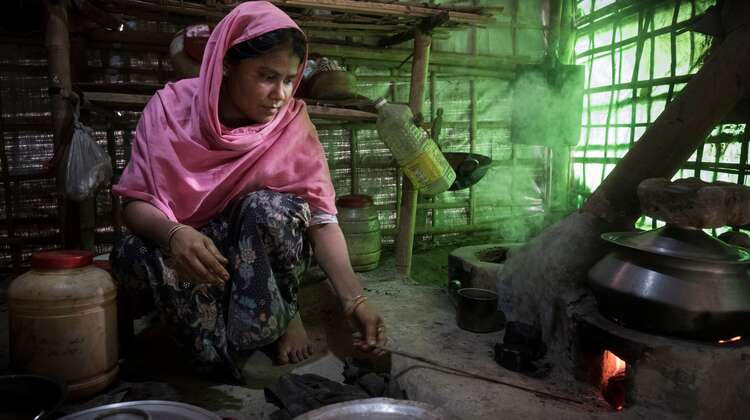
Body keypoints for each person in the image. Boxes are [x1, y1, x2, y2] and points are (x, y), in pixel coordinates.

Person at [110, 1, 386, 383]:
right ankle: (229, 342)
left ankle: (282, 314)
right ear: (225, 65)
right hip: (190, 249)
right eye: (266, 76)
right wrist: (173, 234)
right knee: (131, 253)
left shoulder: (291, 123)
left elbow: (322, 221)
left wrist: (355, 300)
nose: (280, 94)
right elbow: (134, 204)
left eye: (290, 79)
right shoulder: (170, 109)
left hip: (251, 249)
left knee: (270, 208)